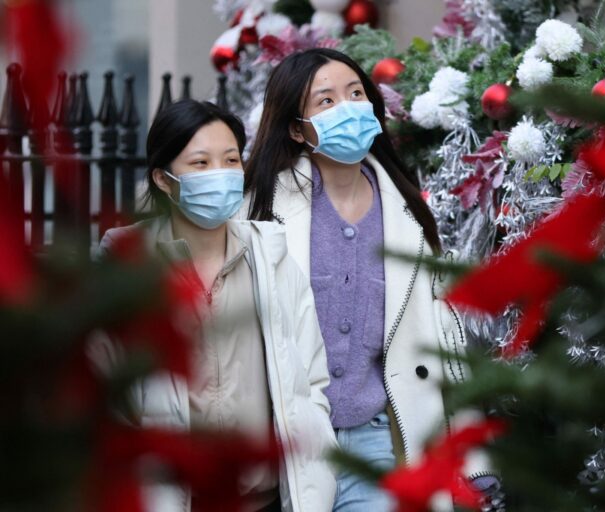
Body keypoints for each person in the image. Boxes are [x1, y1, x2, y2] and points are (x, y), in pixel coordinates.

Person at [241, 48, 496, 510]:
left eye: (356, 93)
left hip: (376, 440)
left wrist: (474, 459)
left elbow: (443, 341)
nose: (348, 108)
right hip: (286, 442)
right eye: (326, 100)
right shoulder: (261, 210)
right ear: (297, 129)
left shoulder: (407, 212)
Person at [99, 100, 337, 512]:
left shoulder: (272, 259)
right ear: (164, 179)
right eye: (200, 163)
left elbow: (311, 381)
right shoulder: (127, 267)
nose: (220, 174)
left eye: (230, 160)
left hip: (265, 501)